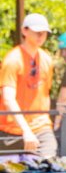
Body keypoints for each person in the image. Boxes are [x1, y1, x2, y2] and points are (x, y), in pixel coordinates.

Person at [0, 13, 56, 158]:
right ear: (24, 30)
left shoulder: (47, 59)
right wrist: (26, 130)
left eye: (44, 32)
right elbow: (8, 99)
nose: (41, 35)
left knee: (48, 166)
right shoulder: (12, 59)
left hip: (41, 127)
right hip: (11, 130)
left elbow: (45, 94)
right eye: (37, 31)